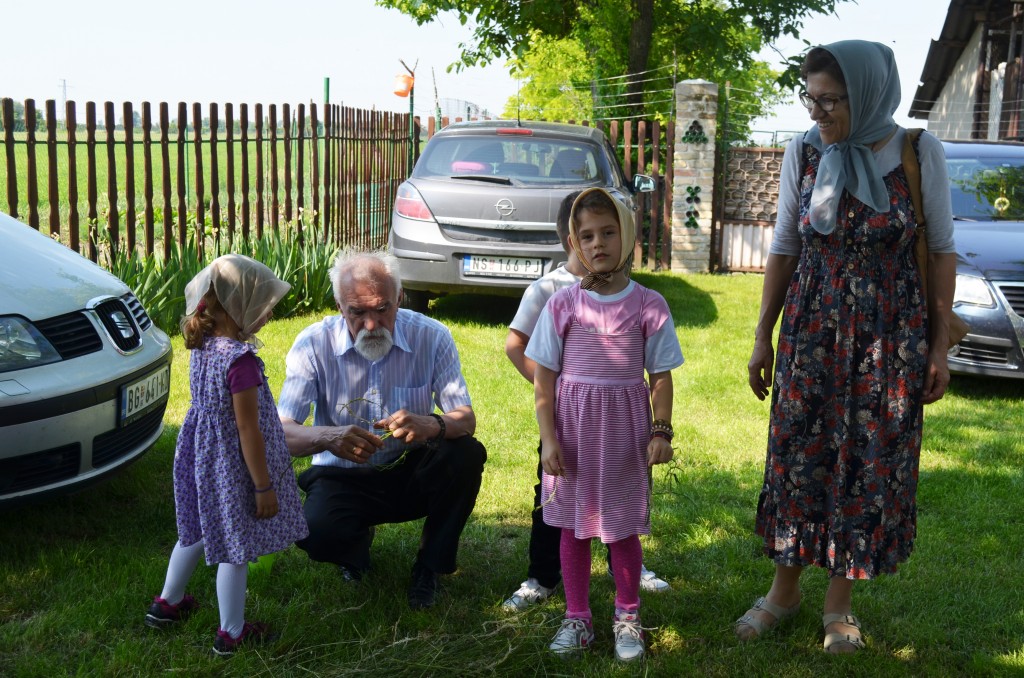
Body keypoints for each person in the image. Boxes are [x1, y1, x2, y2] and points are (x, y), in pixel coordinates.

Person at [736, 40, 957, 654]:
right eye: (810, 99)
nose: (817, 112)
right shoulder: (805, 150)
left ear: (867, 94)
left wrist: (939, 347)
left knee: (867, 462)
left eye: (830, 100)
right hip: (811, 333)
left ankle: (839, 605)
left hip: (890, 339)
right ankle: (783, 592)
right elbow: (785, 246)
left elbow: (941, 251)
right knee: (797, 455)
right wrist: (762, 335)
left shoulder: (918, 152)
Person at [277, 249, 487, 610]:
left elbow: (465, 420)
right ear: (340, 307)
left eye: (382, 309)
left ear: (400, 298)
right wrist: (329, 437)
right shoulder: (313, 344)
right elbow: (282, 433)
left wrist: (431, 424)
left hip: (411, 472)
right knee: (315, 531)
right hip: (343, 476)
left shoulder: (432, 337)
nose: (371, 325)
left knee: (466, 454)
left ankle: (429, 565)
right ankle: (354, 551)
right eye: (357, 312)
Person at [528, 187, 684, 661]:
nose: (598, 243)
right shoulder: (562, 304)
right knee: (572, 528)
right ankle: (577, 618)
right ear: (573, 243)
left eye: (609, 232)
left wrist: (661, 430)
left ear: (627, 235)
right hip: (573, 436)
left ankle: (627, 616)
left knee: (621, 529)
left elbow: (660, 377)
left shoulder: (649, 304)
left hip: (623, 437)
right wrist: (548, 440)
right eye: (588, 235)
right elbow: (543, 381)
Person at [145, 254, 308, 657]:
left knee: (198, 531)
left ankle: (167, 603)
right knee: (236, 546)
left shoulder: (203, 345)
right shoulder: (241, 362)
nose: (269, 315)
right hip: (233, 464)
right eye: (263, 307)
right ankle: (231, 634)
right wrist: (263, 486)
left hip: (203, 454)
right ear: (238, 308)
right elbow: (247, 429)